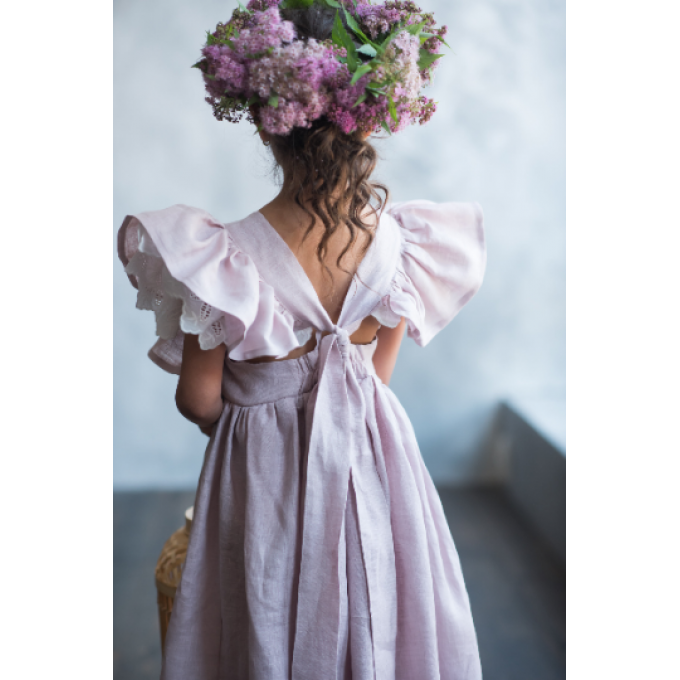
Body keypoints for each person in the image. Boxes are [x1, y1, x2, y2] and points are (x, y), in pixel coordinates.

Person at [118, 2, 486, 678]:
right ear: (368, 122)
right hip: (375, 458)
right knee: (379, 590)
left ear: (268, 130)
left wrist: (262, 409)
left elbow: (200, 402)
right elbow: (375, 378)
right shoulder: (405, 246)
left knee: (264, 596)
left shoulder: (221, 258)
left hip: (263, 467)